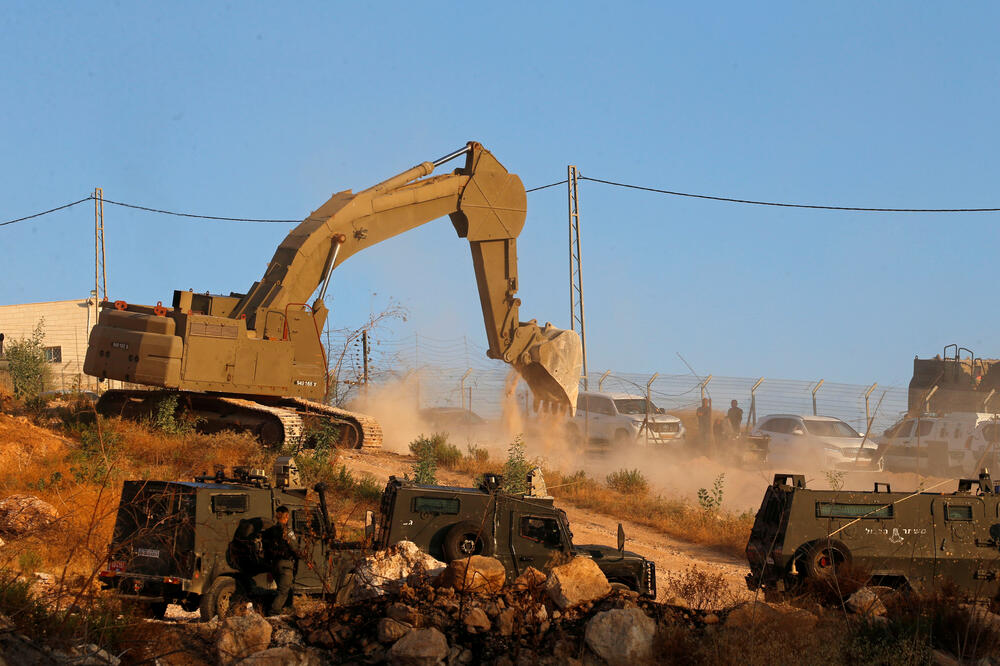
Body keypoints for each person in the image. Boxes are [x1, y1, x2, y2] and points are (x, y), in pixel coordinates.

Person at [263, 506, 299, 615]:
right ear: (287, 516)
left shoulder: (269, 531)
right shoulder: (287, 531)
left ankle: (288, 608)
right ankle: (274, 612)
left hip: (274, 564)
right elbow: (295, 547)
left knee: (287, 588)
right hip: (286, 565)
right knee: (283, 592)